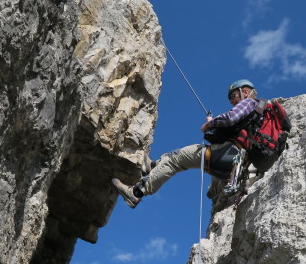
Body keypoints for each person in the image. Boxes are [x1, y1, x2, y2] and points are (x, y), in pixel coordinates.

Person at [112, 79, 262, 209]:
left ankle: (137, 192)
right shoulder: (256, 116)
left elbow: (230, 118)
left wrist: (210, 124)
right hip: (233, 163)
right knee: (180, 154)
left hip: (228, 155)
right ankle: (152, 166)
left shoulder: (249, 102)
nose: (231, 100)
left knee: (175, 161)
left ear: (246, 92)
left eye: (234, 95)